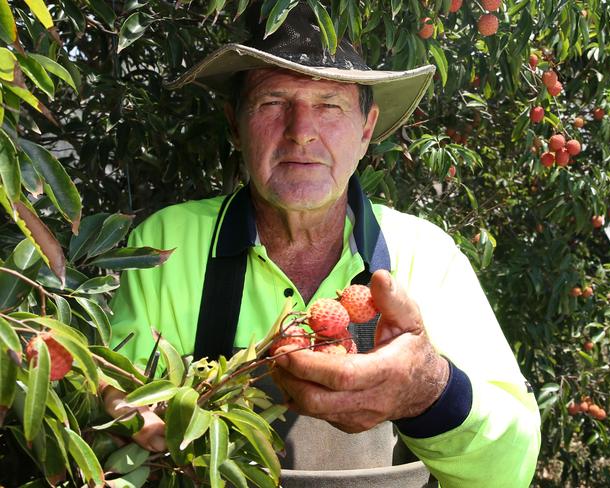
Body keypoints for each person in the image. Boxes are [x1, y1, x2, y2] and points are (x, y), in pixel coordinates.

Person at [106, 2, 541, 486]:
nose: (301, 132)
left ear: (367, 129)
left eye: (329, 105)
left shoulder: (427, 256)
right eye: (273, 103)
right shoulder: (167, 244)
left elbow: (512, 466)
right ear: (235, 124)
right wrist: (125, 420)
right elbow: (118, 401)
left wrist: (430, 393)